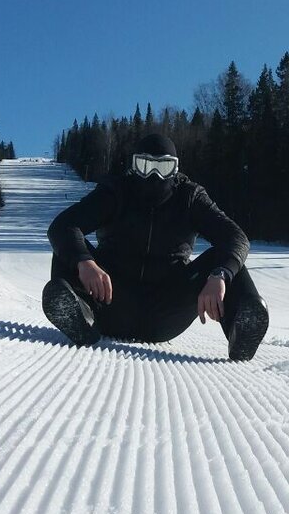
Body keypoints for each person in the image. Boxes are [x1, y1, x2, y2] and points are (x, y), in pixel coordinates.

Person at [42, 133, 269, 360]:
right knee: (68, 245)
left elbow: (236, 238)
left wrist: (220, 275)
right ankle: (80, 317)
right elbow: (62, 226)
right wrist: (85, 262)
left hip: (166, 311)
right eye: (145, 164)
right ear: (134, 166)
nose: (155, 174)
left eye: (164, 166)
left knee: (225, 259)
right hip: (109, 305)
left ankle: (242, 329)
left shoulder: (190, 197)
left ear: (175, 168)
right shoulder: (115, 192)